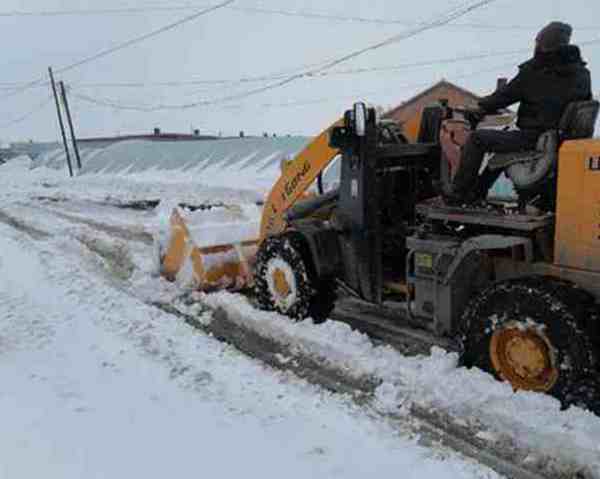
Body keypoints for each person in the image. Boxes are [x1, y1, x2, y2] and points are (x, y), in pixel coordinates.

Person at [444, 21, 592, 206]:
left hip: (535, 137)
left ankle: (457, 195)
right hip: (561, 140)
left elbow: (501, 98)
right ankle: (478, 193)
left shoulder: (536, 71)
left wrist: (480, 106)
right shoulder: (582, 73)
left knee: (477, 139)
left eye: (537, 42)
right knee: (501, 145)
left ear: (543, 44)